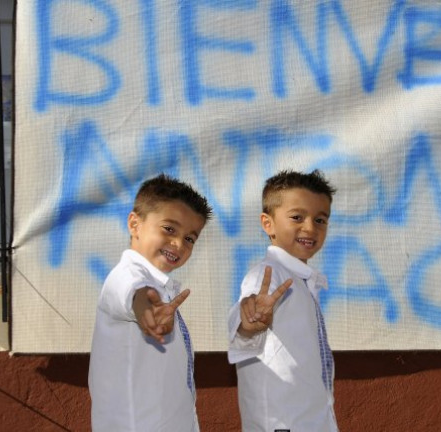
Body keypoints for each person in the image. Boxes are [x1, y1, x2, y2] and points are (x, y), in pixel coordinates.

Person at [89, 173, 212, 432]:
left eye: (190, 238)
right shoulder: (126, 276)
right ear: (135, 224)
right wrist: (147, 311)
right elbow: (135, 294)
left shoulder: (162, 289)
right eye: (169, 229)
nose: (179, 243)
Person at [228, 169, 339, 431]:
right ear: (268, 224)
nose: (310, 227)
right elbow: (245, 324)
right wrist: (251, 321)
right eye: (297, 217)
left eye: (320, 220)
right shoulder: (268, 274)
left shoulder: (302, 280)